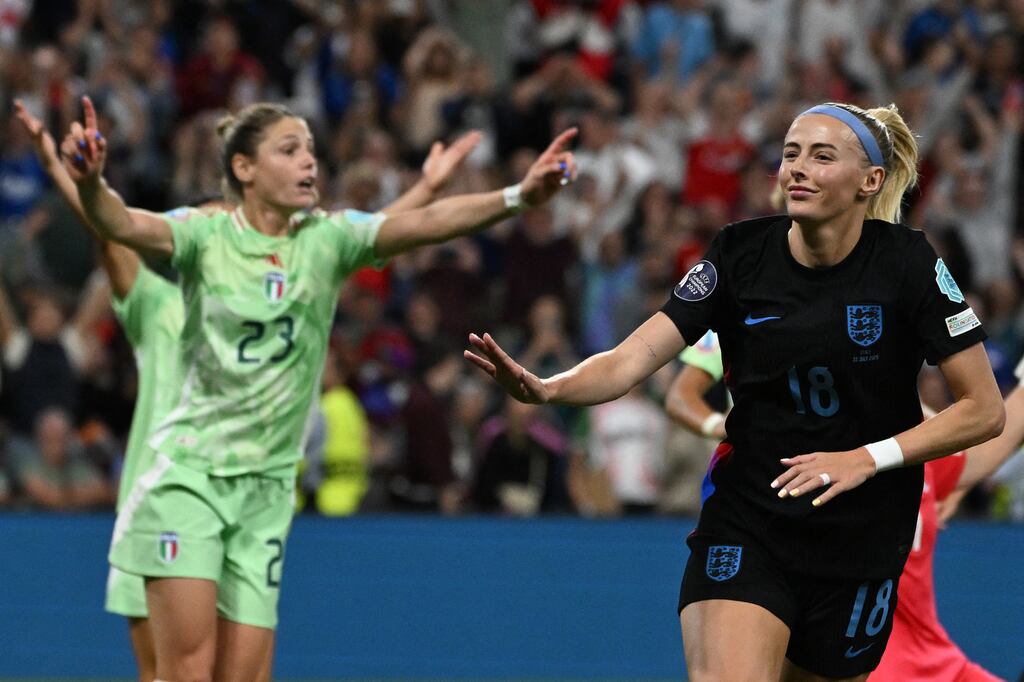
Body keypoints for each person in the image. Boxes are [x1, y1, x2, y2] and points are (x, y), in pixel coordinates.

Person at [465, 101, 1004, 680]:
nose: (797, 168)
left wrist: (865, 459)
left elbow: (984, 410)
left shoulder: (908, 263)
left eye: (822, 156)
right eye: (791, 154)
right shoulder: (738, 255)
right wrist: (548, 389)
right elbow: (631, 359)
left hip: (863, 540)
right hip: (750, 522)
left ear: (869, 181)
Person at [60, 95, 576, 681]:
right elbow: (123, 224)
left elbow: (423, 224)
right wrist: (91, 182)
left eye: (310, 148)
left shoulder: (326, 240)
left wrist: (517, 197)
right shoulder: (205, 234)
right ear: (244, 169)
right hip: (190, 478)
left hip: (267, 493)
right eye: (289, 150)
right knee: (187, 673)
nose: (309, 160)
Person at [665, 317, 1012, 681]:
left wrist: (947, 482)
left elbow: (984, 432)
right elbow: (678, 393)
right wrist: (722, 425)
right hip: (766, 507)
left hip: (874, 587)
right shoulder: (744, 307)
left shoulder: (915, 425)